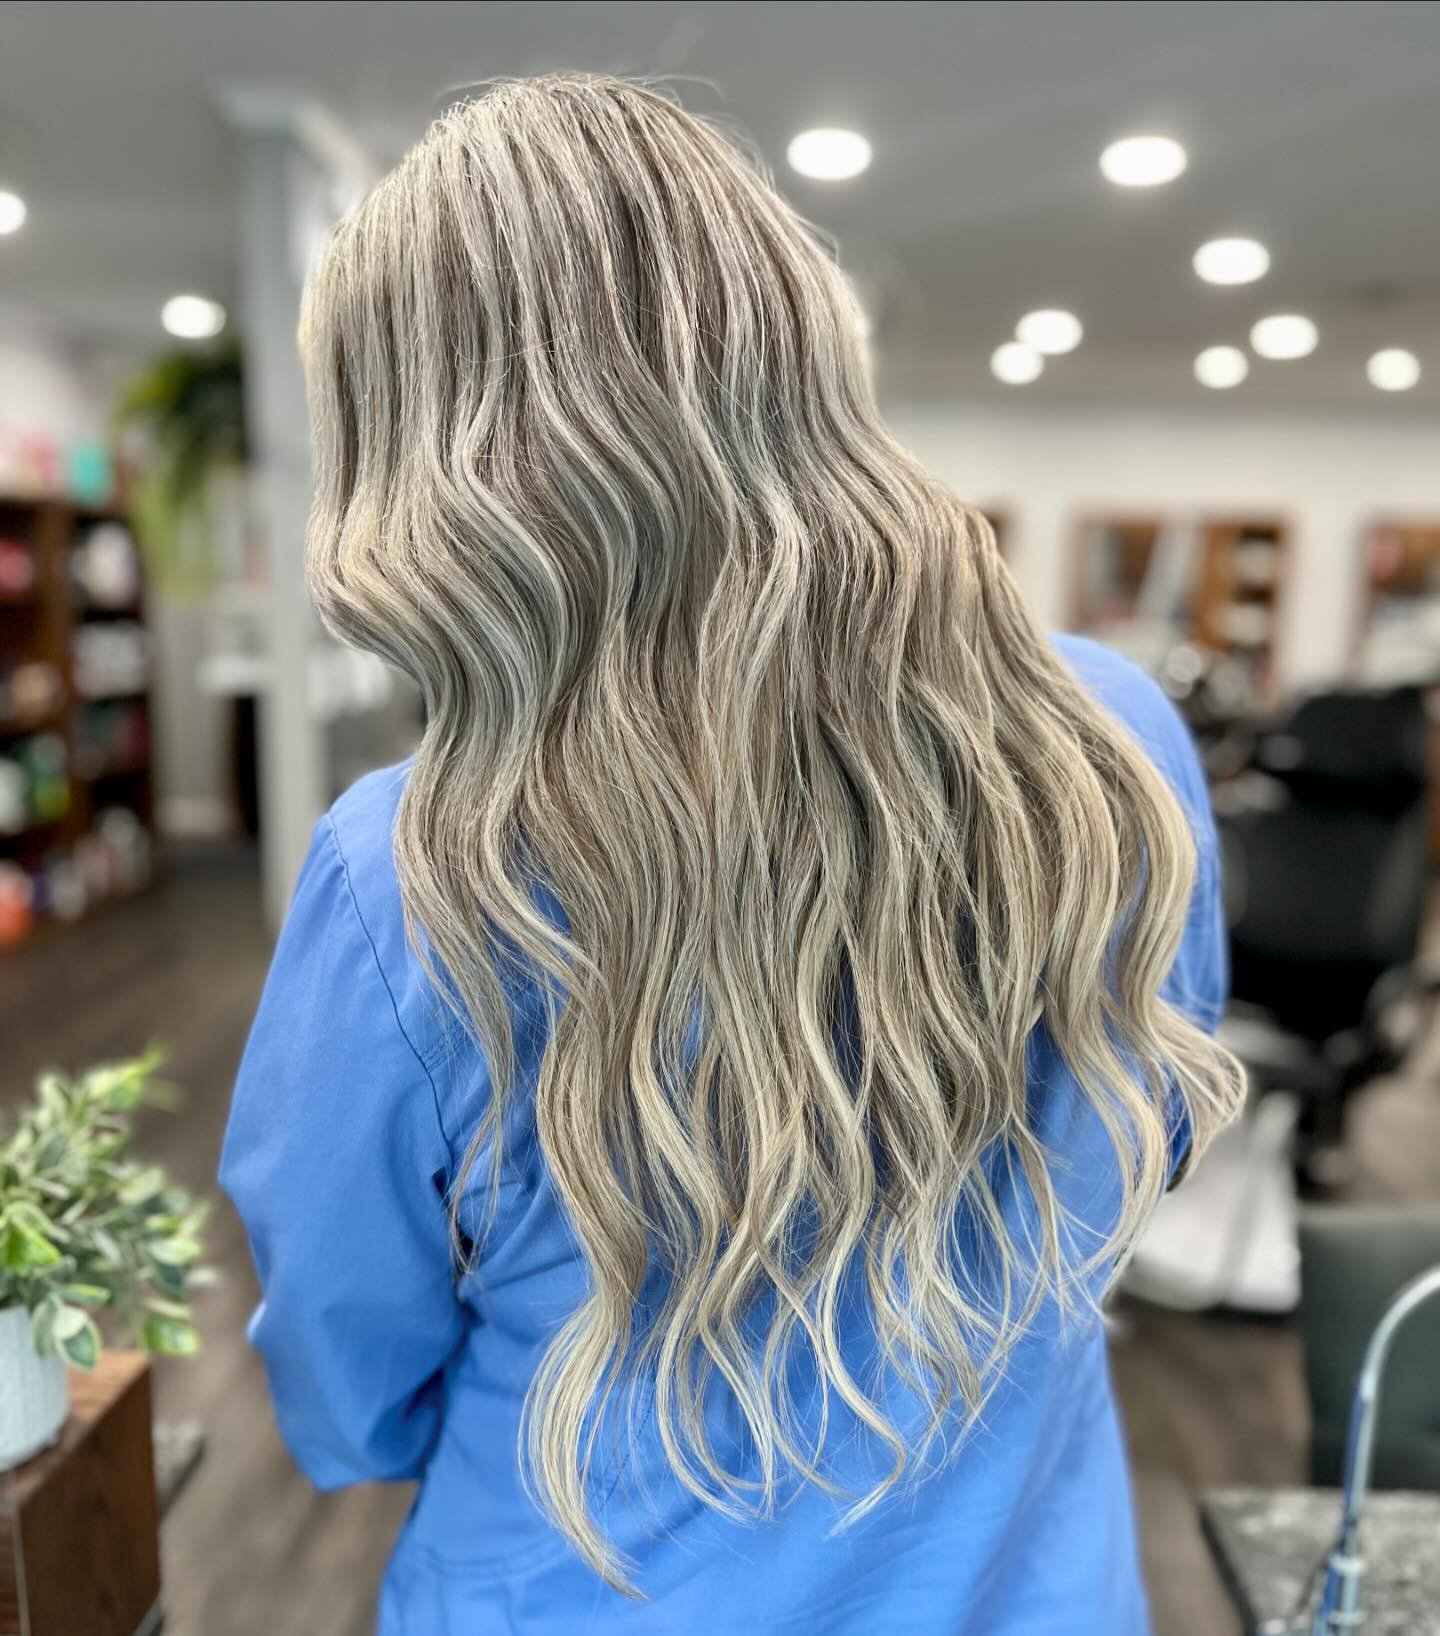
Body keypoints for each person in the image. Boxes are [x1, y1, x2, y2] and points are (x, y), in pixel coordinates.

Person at [221, 74, 1243, 1636]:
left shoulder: (409, 876)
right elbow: (1141, 1135)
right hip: (1033, 1587)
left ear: (423, 473)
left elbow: (346, 1395)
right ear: (793, 341)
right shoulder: (1112, 736)